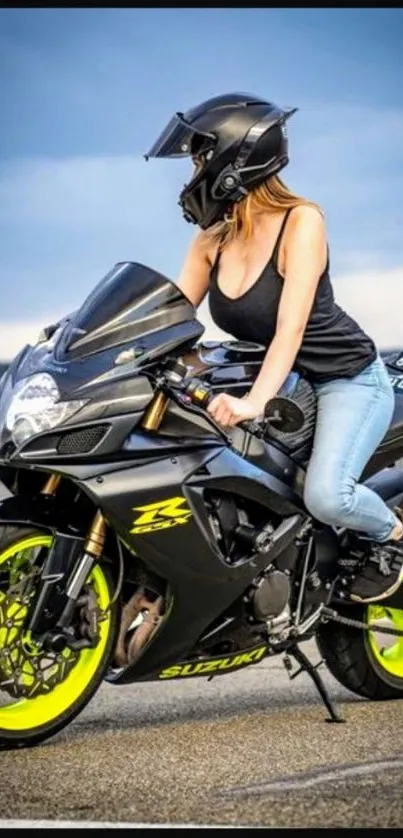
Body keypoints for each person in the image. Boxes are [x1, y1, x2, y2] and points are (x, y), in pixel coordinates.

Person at [144, 92, 403, 604]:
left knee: (328, 496)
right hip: (284, 383)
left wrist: (252, 403)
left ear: (235, 159)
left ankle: (392, 536)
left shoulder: (301, 221)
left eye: (199, 156)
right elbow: (169, 318)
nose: (193, 171)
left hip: (344, 379)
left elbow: (290, 329)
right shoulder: (210, 242)